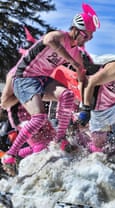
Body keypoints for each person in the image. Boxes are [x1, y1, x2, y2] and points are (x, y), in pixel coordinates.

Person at [0, 3, 100, 176]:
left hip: (42, 80)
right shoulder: (59, 36)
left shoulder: (76, 51)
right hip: (25, 78)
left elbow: (81, 76)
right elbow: (49, 40)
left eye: (91, 37)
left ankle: (60, 138)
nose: (88, 40)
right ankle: (10, 155)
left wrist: (85, 103)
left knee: (67, 95)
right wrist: (73, 61)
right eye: (87, 35)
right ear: (76, 30)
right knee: (38, 118)